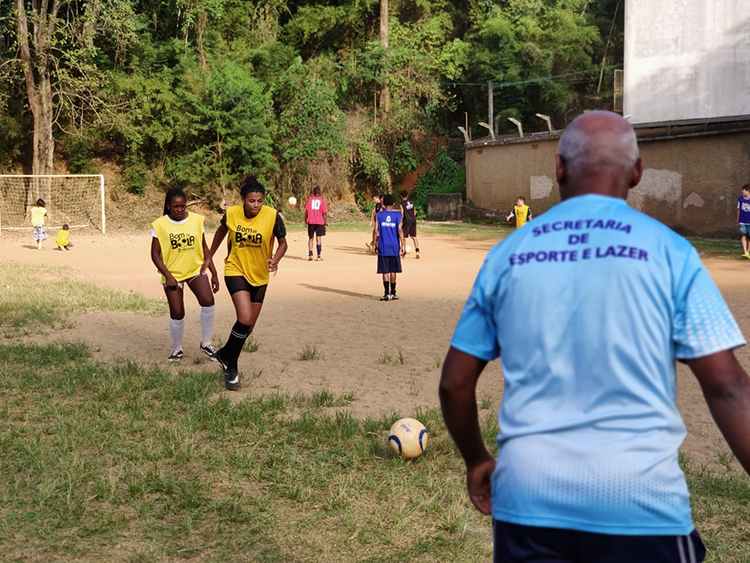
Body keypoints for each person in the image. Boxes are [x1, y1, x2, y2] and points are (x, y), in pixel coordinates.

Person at [439, 111, 750, 563]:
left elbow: (454, 382)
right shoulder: (671, 253)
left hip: (528, 505)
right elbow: (729, 386)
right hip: (642, 507)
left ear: (560, 169)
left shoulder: (509, 255)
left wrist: (477, 460)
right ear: (638, 172)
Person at [203, 177, 288, 390]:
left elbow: (283, 243)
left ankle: (224, 354)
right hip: (235, 269)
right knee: (245, 317)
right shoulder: (232, 213)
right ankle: (232, 366)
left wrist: (276, 259)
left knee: (248, 328)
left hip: (260, 275)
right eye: (252, 201)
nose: (256, 205)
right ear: (243, 199)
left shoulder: (272, 216)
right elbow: (221, 232)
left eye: (260, 201)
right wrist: (209, 256)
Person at [151, 188, 220, 362]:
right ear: (168, 206)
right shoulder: (160, 224)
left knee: (208, 300)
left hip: (195, 270)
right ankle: (177, 349)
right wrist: (167, 275)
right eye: (176, 206)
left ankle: (206, 344)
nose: (180, 209)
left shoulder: (196, 220)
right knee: (177, 312)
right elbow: (154, 254)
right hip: (173, 273)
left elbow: (204, 247)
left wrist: (213, 272)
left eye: (182, 206)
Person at [374, 194, 405, 301]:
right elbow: (400, 230)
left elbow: (375, 230)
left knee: (385, 270)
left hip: (383, 245)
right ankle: (394, 292)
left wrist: (374, 243)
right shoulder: (397, 216)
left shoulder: (379, 215)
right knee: (393, 270)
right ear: (393, 204)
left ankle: (386, 293)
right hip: (394, 246)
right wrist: (403, 244)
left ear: (383, 203)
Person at [304, 186, 328, 261]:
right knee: (318, 238)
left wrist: (305, 220)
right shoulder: (322, 201)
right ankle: (319, 256)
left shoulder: (310, 200)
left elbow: (306, 211)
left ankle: (310, 254)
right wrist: (325, 222)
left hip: (311, 221)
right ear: (319, 193)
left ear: (313, 193)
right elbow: (325, 213)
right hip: (319, 222)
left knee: (311, 238)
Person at [399, 190, 420, 259]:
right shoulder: (412, 202)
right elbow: (414, 212)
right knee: (414, 237)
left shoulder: (401, 204)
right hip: (413, 220)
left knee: (403, 237)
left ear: (401, 196)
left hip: (407, 221)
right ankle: (417, 251)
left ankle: (403, 251)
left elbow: (402, 214)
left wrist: (400, 221)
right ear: (407, 196)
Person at [737, 184, 750, 258]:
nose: (742, 191)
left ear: (748, 190)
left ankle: (748, 251)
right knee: (743, 235)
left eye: (743, 190)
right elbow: (738, 210)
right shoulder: (740, 199)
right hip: (742, 220)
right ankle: (745, 251)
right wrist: (738, 220)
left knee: (749, 237)